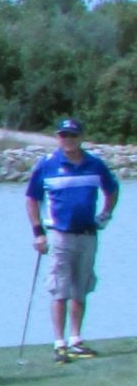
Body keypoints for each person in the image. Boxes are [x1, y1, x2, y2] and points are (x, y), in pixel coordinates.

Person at [26, 118, 118, 361]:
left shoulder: (95, 164)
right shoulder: (47, 164)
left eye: (72, 135)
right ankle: (59, 343)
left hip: (87, 234)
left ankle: (76, 340)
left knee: (80, 288)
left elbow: (112, 189)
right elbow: (32, 199)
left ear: (80, 137)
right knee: (59, 288)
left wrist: (105, 215)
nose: (68, 139)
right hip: (59, 235)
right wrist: (38, 233)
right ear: (58, 137)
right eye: (63, 135)